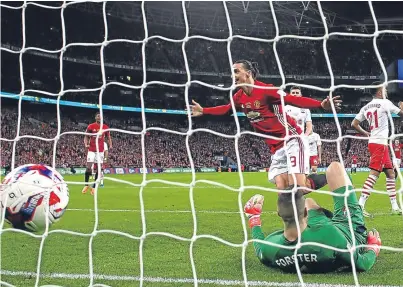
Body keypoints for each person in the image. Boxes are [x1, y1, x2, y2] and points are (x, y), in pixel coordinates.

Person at [190, 60, 342, 192]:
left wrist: (320, 105)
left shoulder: (266, 90)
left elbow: (290, 99)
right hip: (275, 149)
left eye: (236, 71)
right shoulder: (238, 97)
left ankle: (333, 176)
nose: (232, 76)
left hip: (292, 139)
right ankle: (299, 222)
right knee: (284, 194)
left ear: (248, 73)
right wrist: (204, 110)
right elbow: (227, 109)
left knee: (298, 189)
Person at [244, 162, 381, 273]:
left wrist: (254, 218)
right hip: (350, 227)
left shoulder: (272, 247)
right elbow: (362, 264)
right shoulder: (327, 233)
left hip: (322, 231)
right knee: (335, 168)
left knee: (310, 202)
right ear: (305, 213)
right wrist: (373, 248)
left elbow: (260, 249)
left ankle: (315, 187)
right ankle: (327, 182)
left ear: (279, 213)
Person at [351, 83, 403, 216]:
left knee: (390, 174)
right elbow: (401, 114)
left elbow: (354, 124)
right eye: (384, 89)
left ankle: (394, 207)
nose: (386, 91)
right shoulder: (385, 103)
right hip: (379, 143)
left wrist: (366, 133)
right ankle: (360, 206)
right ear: (380, 91)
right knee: (374, 174)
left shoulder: (366, 107)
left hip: (375, 142)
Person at [82, 113, 112, 195]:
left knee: (99, 169)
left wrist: (110, 144)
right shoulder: (91, 126)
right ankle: (86, 185)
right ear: (95, 117)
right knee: (88, 167)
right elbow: (86, 136)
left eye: (101, 116)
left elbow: (108, 137)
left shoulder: (105, 127)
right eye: (98, 116)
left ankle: (94, 187)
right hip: (91, 149)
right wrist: (86, 144)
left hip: (100, 151)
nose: (99, 117)